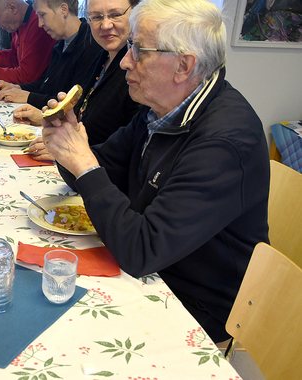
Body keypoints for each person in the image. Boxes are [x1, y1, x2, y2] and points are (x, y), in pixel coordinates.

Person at [42, 0, 270, 343]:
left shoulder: (223, 142)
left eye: (138, 49)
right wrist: (69, 144)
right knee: (42, 283)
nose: (124, 61)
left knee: (57, 328)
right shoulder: (161, 108)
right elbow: (93, 173)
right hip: (153, 265)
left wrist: (84, 163)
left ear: (183, 66)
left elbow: (142, 251)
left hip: (195, 301)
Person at [13, 0, 140, 156]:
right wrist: (56, 121)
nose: (106, 25)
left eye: (115, 15)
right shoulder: (102, 57)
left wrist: (70, 150)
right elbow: (85, 118)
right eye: (97, 17)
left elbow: (129, 151)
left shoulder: (136, 72)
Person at [0, 0, 102, 109]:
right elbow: (45, 84)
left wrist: (28, 97)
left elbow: (72, 103)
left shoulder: (89, 47)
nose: (40, 24)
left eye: (43, 15)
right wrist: (17, 87)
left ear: (64, 10)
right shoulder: (61, 43)